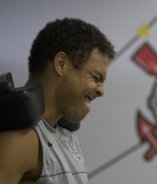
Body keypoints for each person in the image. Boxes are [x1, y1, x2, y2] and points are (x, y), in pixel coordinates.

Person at [0, 18, 115, 183]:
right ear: (61, 64)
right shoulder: (19, 140)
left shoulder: (67, 137)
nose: (101, 90)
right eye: (96, 78)